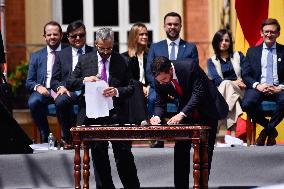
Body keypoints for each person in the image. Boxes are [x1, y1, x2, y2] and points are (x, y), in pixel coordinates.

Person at [66, 27, 140, 189]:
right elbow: (70, 82)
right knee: (99, 153)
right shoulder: (85, 60)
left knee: (123, 154)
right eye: (102, 49)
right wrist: (85, 80)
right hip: (94, 113)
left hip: (116, 113)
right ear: (95, 44)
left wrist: (116, 91)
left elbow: (131, 88)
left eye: (109, 48)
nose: (106, 52)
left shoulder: (123, 61)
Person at [149, 56, 219, 188]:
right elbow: (160, 102)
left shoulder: (189, 67)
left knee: (205, 152)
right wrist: (157, 117)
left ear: (170, 70)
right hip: (186, 110)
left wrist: (181, 114)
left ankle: (202, 185)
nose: (162, 83)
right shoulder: (159, 79)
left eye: (164, 79)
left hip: (207, 108)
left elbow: (198, 94)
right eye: (160, 81)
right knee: (181, 149)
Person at [146, 11, 199, 147]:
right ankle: (157, 136)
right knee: (152, 98)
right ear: (164, 26)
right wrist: (164, 85)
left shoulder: (190, 47)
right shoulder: (155, 47)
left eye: (176, 24)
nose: (172, 27)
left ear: (180, 26)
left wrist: (174, 88)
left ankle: (184, 137)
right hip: (160, 86)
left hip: (183, 89)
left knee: (185, 100)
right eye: (169, 24)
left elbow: (194, 73)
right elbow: (149, 72)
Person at [242, 18, 284, 146]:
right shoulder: (252, 51)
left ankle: (265, 132)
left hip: (278, 88)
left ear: (278, 34)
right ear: (261, 33)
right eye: (266, 31)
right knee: (247, 103)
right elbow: (246, 74)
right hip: (258, 87)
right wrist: (258, 85)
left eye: (272, 32)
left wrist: (280, 87)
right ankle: (270, 129)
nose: (269, 34)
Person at [51, 20, 93, 149]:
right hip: (68, 91)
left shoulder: (94, 52)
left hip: (89, 91)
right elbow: (54, 79)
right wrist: (60, 87)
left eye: (81, 35)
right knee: (60, 100)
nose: (78, 38)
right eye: (74, 36)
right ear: (68, 37)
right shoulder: (61, 55)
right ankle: (67, 138)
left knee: (88, 99)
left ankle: (86, 138)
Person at [26, 21, 65, 143]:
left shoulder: (69, 52)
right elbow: (29, 81)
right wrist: (38, 87)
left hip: (62, 90)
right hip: (44, 91)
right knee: (33, 101)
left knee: (65, 102)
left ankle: (66, 137)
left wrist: (64, 87)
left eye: (55, 34)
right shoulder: (36, 56)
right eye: (49, 35)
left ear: (61, 35)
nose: (52, 37)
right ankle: (45, 134)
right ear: (44, 37)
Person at [207, 29, 246, 141]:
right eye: (220, 40)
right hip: (229, 93)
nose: (223, 42)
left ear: (230, 43)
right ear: (216, 42)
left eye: (226, 40)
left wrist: (240, 82)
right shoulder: (212, 61)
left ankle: (217, 123)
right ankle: (232, 136)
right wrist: (233, 82)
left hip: (241, 90)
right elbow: (216, 80)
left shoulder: (238, 56)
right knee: (228, 87)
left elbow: (247, 73)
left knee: (226, 85)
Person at [121, 22, 149, 124]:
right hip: (133, 90)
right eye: (141, 34)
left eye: (146, 34)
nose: (145, 37)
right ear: (134, 36)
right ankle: (142, 120)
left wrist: (149, 86)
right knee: (134, 84)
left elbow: (155, 75)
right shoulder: (124, 57)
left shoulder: (150, 55)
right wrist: (142, 87)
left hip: (149, 89)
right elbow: (128, 79)